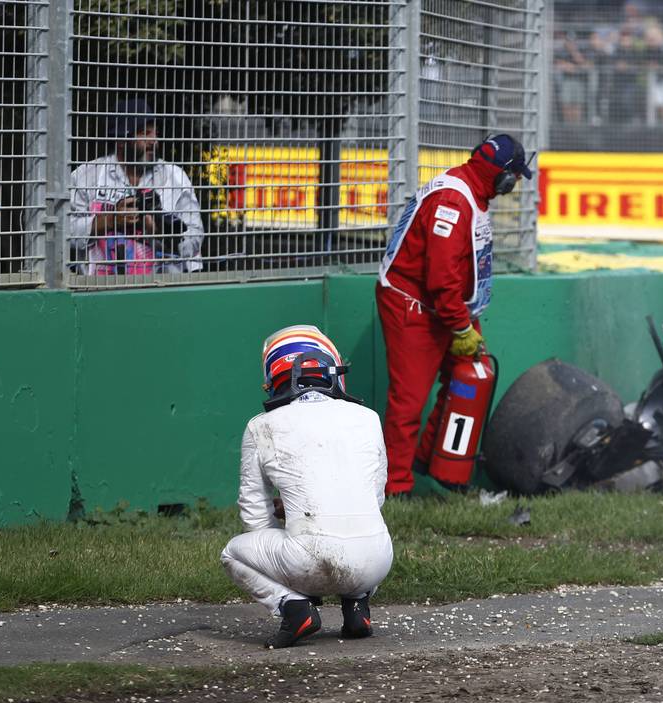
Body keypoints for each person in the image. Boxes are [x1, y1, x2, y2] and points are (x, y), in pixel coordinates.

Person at [376, 134, 533, 497]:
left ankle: (431, 460)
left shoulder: (472, 193)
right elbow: (441, 277)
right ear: (503, 176)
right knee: (408, 401)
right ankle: (394, 488)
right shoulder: (454, 201)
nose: (517, 184)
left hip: (444, 305)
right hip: (411, 303)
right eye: (515, 176)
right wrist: (461, 327)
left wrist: (463, 321)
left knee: (468, 377)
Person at [219, 325, 393, 649]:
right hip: (378, 559)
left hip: (307, 560)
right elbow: (375, 498)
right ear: (333, 372)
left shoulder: (260, 426)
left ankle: (294, 608)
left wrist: (293, 568)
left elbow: (255, 516)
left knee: (232, 553)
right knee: (365, 528)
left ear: (276, 378)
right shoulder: (369, 417)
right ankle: (357, 606)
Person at [67, 98, 204, 275]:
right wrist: (109, 220)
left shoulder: (175, 177)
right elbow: (64, 232)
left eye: (155, 133)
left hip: (163, 289)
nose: (153, 140)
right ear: (122, 140)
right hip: (99, 290)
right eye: (144, 133)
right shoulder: (87, 175)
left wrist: (157, 231)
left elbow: (195, 236)